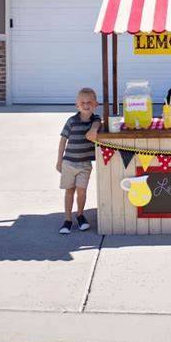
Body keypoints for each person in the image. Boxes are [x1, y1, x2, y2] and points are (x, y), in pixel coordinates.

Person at [56, 87, 101, 234]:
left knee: (82, 192)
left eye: (90, 102)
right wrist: (59, 160)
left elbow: (97, 124)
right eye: (83, 102)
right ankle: (67, 219)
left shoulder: (95, 120)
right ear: (77, 105)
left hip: (84, 165)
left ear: (96, 104)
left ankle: (80, 215)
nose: (86, 105)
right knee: (69, 191)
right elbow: (63, 140)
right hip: (69, 162)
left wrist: (94, 128)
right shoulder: (72, 121)